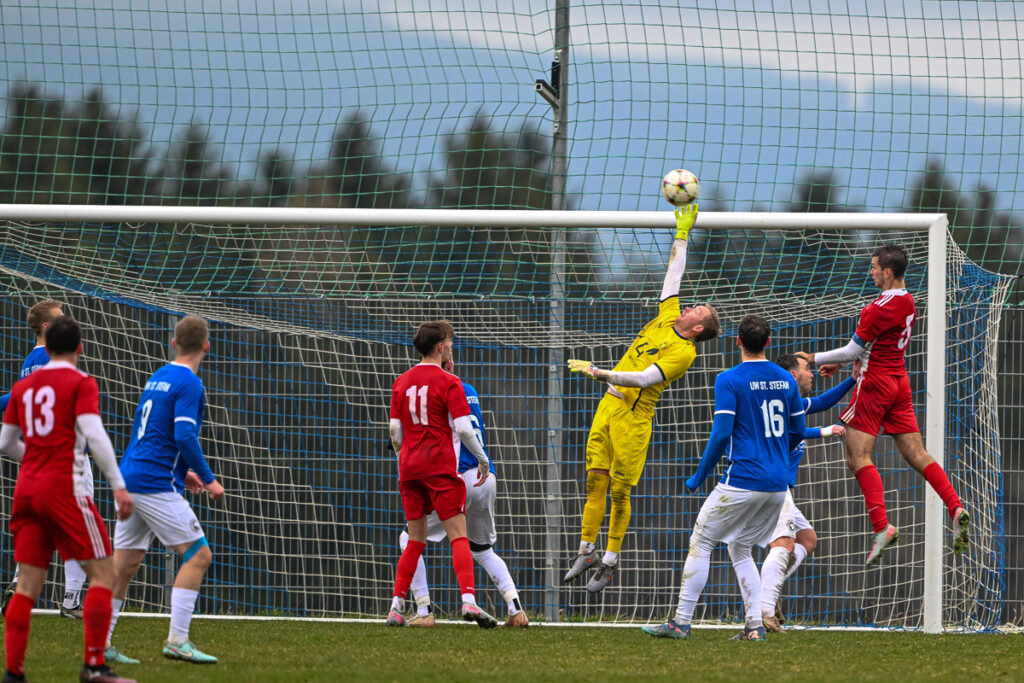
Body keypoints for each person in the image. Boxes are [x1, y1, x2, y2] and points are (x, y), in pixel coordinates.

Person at [564, 204, 721, 593]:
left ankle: (610, 561)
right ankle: (586, 549)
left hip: (633, 419)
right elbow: (674, 273)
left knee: (620, 490)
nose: (689, 304)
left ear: (698, 327)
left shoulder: (684, 353)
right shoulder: (668, 316)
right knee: (594, 481)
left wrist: (600, 372)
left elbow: (644, 378)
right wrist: (682, 233)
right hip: (609, 405)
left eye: (696, 308)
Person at [796, 244, 969, 566]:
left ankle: (882, 527)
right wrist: (850, 362)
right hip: (900, 384)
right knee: (918, 454)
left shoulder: (876, 308)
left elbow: (851, 350)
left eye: (874, 267)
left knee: (857, 456)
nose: (870, 271)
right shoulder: (908, 301)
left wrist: (813, 358)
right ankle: (954, 505)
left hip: (875, 385)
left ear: (888, 272)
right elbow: (875, 346)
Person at [643, 315, 805, 642]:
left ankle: (680, 622)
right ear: (769, 343)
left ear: (738, 342)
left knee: (702, 540)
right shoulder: (786, 379)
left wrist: (700, 476)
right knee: (740, 547)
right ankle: (755, 627)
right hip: (777, 486)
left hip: (744, 478)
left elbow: (720, 435)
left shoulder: (728, 379)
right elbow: (798, 431)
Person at [0, 316, 135, 683]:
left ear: (46, 345)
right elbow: (94, 434)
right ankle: (94, 666)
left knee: (27, 584)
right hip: (64, 488)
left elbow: (5, 441)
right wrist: (118, 485)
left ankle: (13, 673)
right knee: (105, 572)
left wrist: (34, 460)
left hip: (27, 490)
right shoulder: (80, 381)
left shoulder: (24, 385)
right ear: (79, 348)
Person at [104, 315, 225, 665]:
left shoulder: (157, 375)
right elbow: (184, 434)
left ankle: (100, 642)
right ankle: (177, 640)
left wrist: (183, 472)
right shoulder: (190, 383)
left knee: (124, 564)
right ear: (206, 345)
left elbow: (153, 430)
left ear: (174, 344)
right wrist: (209, 478)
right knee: (198, 555)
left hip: (132, 475)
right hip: (154, 482)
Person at [397, 359, 527, 628]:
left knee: (408, 538)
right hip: (487, 476)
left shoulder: (438, 389)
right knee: (483, 551)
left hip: (458, 476)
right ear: (450, 363)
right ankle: (516, 609)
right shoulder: (468, 388)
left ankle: (424, 609)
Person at [387, 320, 497, 628]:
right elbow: (462, 428)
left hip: (409, 469)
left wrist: (404, 457)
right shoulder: (449, 382)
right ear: (440, 346)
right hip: (440, 469)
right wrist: (481, 457)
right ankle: (469, 602)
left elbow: (395, 432)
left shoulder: (401, 381)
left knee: (415, 540)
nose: (451, 345)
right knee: (458, 535)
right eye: (449, 341)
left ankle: (396, 606)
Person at [0, 300, 92, 620]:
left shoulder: (30, 359)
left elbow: (15, 399)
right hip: (66, 456)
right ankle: (70, 600)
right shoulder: (46, 358)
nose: (65, 319)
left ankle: (18, 583)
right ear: (44, 327)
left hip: (38, 456)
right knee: (78, 528)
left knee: (39, 528)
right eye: (59, 316)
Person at [758, 354, 855, 632]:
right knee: (783, 544)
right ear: (790, 375)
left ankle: (767, 594)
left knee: (807, 539)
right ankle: (764, 608)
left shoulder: (794, 403)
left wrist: (853, 378)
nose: (811, 374)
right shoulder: (777, 406)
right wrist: (823, 431)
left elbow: (824, 402)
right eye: (806, 368)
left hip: (779, 486)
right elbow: (790, 433)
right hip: (771, 485)